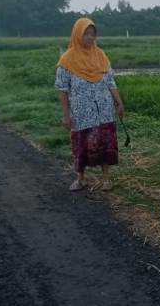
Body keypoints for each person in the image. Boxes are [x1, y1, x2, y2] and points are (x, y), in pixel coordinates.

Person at [55, 18, 125, 192]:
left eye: (92, 34)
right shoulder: (67, 60)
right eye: (86, 33)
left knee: (105, 142)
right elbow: (62, 90)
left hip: (104, 112)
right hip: (81, 113)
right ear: (78, 34)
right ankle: (80, 179)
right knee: (81, 144)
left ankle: (106, 179)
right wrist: (66, 115)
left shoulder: (100, 55)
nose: (90, 37)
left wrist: (119, 101)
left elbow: (110, 82)